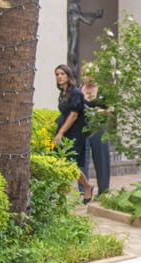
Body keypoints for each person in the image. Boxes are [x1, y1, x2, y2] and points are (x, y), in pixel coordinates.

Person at [53, 64, 93, 204]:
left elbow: (74, 115)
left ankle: (86, 187)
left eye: (62, 74)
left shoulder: (75, 92)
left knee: (71, 163)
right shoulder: (63, 93)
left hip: (75, 132)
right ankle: (60, 193)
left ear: (69, 76)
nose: (59, 77)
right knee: (61, 161)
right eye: (57, 74)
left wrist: (61, 133)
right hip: (65, 129)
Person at [81, 66, 112, 195]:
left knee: (102, 159)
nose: (89, 77)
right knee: (82, 160)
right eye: (87, 74)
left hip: (99, 128)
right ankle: (83, 191)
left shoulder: (103, 91)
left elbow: (111, 109)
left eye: (92, 74)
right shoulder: (78, 90)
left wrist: (101, 111)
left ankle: (103, 191)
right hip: (82, 128)